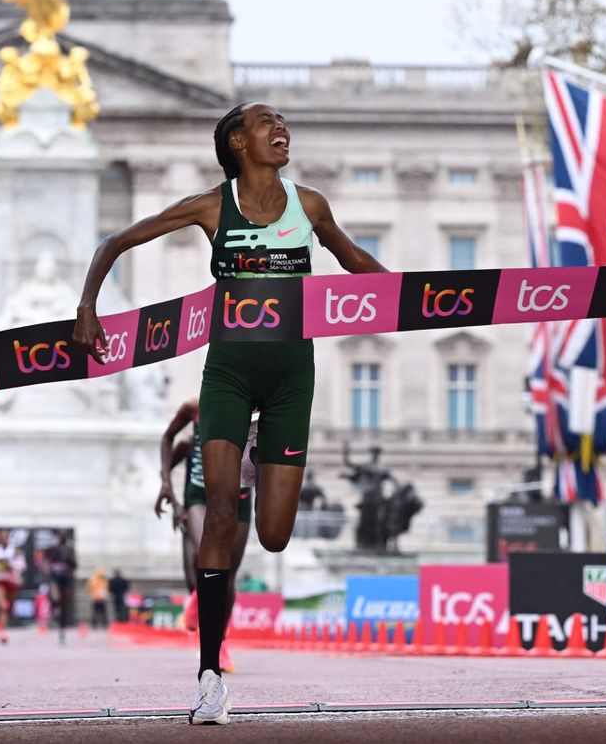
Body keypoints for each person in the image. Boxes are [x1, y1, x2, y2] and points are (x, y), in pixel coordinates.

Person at [73, 102, 386, 724]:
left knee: (272, 534)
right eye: (267, 122)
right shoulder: (211, 207)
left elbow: (357, 265)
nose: (282, 129)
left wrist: (430, 298)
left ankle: (254, 476)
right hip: (229, 376)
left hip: (293, 379)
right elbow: (115, 242)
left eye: (285, 122)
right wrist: (88, 309)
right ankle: (210, 675)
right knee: (218, 516)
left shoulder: (312, 205)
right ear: (237, 141)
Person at [156, 398, 256, 673]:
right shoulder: (192, 407)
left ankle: (220, 641)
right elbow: (168, 438)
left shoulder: (257, 409)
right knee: (207, 553)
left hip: (240, 496)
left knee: (229, 576)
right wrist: (166, 486)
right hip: (201, 494)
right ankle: (199, 599)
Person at [0, 529, 25, 645]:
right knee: (2, 606)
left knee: (9, 607)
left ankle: (6, 623)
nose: (4, 539)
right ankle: (3, 632)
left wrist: (10, 566)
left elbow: (22, 564)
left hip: (12, 581)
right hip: (1, 580)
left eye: (5, 537)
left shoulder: (15, 550)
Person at [43, 531, 77, 644]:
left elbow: (75, 564)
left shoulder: (69, 550)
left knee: (65, 604)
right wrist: (48, 568)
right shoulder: (53, 549)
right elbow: (45, 560)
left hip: (66, 578)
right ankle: (55, 612)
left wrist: (69, 561)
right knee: (55, 597)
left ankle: (62, 629)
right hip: (55, 578)